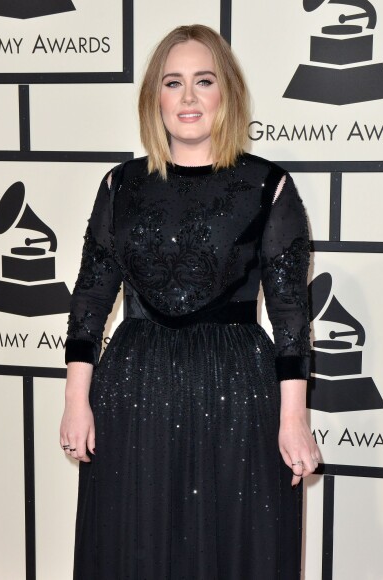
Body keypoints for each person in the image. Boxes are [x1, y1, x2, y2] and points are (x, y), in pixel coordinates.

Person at [60, 24, 321, 580]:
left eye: (203, 81)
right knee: (134, 547)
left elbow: (290, 315)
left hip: (235, 393)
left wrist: (292, 417)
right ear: (154, 97)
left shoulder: (266, 184)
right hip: (133, 390)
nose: (187, 97)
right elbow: (90, 299)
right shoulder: (120, 186)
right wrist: (75, 401)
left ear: (226, 92)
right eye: (172, 82)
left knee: (233, 547)